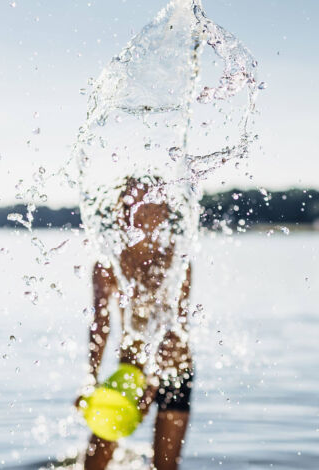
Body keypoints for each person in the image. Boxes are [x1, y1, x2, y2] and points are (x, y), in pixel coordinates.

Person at [78, 176, 194, 470]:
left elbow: (175, 331)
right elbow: (99, 326)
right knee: (94, 464)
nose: (143, 211)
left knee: (165, 467)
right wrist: (90, 380)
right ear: (121, 211)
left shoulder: (177, 263)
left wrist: (154, 383)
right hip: (130, 371)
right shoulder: (108, 265)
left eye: (152, 203)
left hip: (174, 371)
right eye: (134, 203)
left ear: (164, 211)